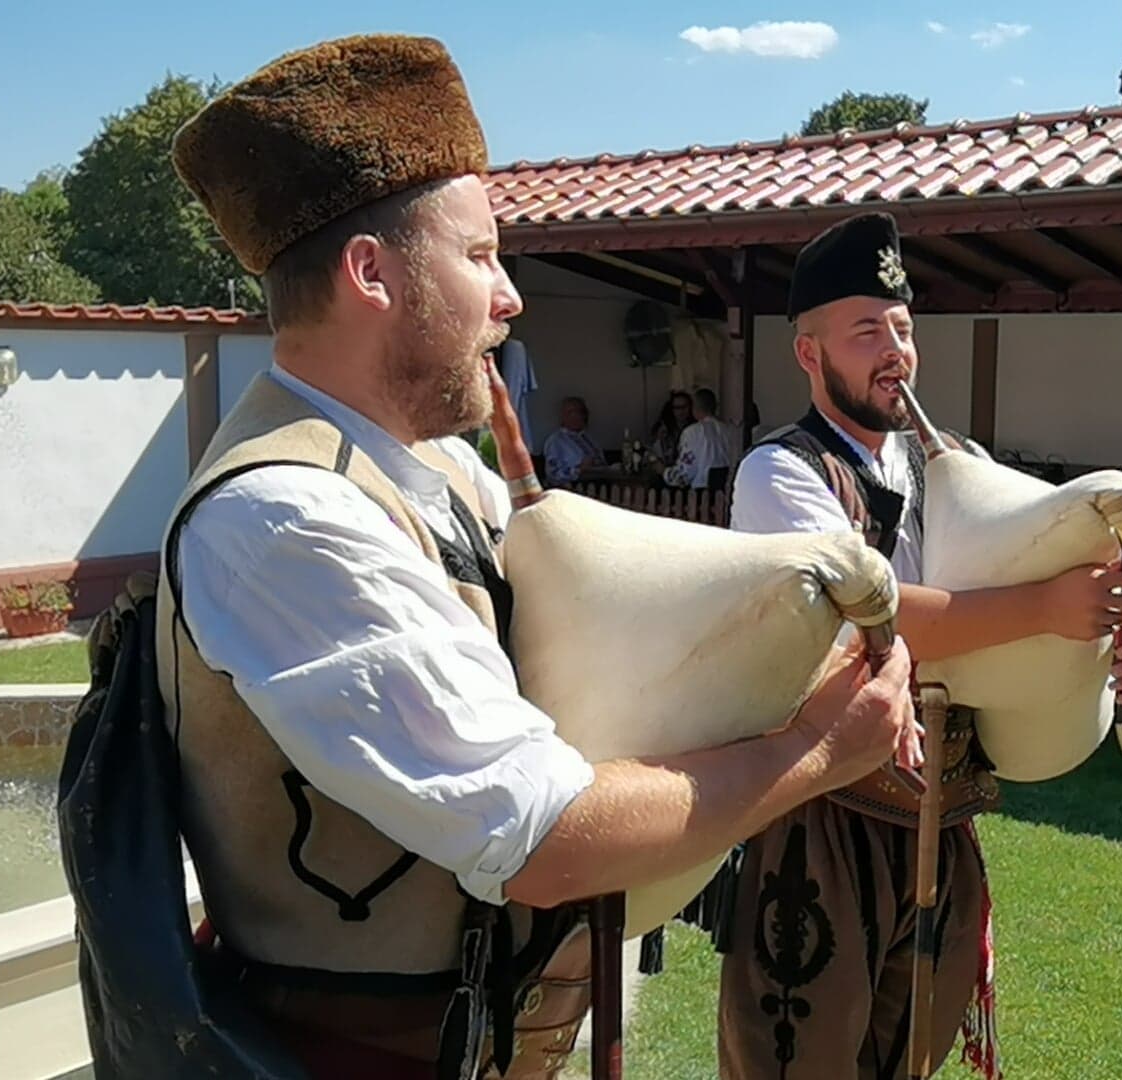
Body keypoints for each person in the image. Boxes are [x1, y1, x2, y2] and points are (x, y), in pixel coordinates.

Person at [148, 35, 917, 1079]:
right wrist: (821, 751)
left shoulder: (435, 475)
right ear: (371, 274)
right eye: (478, 257)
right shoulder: (285, 517)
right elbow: (544, 838)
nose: (509, 296)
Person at [721, 210, 1122, 1079]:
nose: (894, 352)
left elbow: (1039, 565)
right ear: (809, 353)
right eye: (866, 332)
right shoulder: (779, 472)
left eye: (903, 329)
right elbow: (875, 618)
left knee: (911, 1062)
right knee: (800, 1064)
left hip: (947, 808)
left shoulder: (955, 464)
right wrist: (1047, 605)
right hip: (824, 823)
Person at [665, 387, 740, 489]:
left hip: (701, 492)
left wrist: (663, 471)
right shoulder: (728, 431)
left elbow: (683, 476)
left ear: (694, 408)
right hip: (726, 490)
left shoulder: (692, 432)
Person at [540, 395, 603, 487]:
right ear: (563, 416)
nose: (575, 416)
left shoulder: (590, 439)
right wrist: (579, 469)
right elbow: (553, 475)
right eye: (570, 412)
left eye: (579, 412)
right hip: (572, 489)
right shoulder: (555, 441)